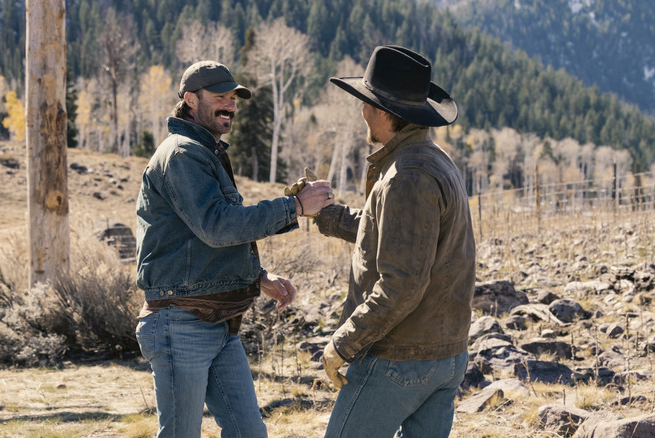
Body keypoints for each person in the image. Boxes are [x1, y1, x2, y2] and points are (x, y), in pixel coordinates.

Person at [134, 60, 334, 438]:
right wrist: (294, 207)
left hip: (217, 322)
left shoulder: (203, 151)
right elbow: (217, 226)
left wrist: (257, 279)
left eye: (233, 97)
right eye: (220, 97)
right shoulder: (182, 155)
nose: (231, 105)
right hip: (179, 323)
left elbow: (198, 240)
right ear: (191, 99)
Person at [315, 45, 476, 438]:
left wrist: (343, 344)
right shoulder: (431, 159)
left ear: (384, 112)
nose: (362, 112)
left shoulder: (407, 176)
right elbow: (390, 235)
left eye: (366, 103)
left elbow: (402, 283)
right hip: (445, 353)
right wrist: (325, 216)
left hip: (402, 357)